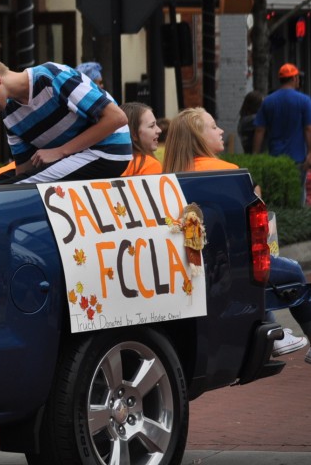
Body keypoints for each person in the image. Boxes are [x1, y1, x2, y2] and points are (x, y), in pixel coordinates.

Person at [163, 107, 311, 360]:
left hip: (190, 271)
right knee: (293, 273)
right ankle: (276, 333)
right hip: (232, 270)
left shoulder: (166, 177)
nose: (221, 131)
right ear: (198, 136)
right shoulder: (227, 172)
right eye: (213, 126)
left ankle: (274, 332)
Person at [0, 55, 131, 184]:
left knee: (11, 188)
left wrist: (60, 152)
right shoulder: (9, 114)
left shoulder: (52, 76)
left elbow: (117, 117)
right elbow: (24, 169)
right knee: (4, 182)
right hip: (74, 156)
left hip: (108, 149)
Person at [252, 64, 311, 203]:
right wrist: (310, 152)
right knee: (297, 197)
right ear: (295, 78)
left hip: (275, 157)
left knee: (277, 198)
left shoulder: (268, 101)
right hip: (298, 158)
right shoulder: (304, 101)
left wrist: (255, 154)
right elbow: (308, 128)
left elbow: (260, 130)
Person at [121, 101, 162, 176]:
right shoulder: (150, 165)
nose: (159, 130)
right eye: (152, 126)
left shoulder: (107, 163)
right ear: (134, 134)